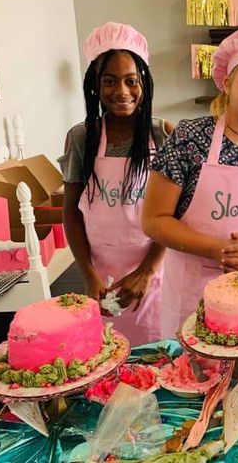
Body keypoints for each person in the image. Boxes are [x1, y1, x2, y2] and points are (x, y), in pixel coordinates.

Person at [142, 29, 238, 337]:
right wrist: (217, 249)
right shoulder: (189, 137)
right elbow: (154, 219)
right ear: (227, 83)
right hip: (192, 292)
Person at [61, 22, 172, 345]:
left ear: (144, 84)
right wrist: (88, 276)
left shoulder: (162, 135)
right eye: (110, 81)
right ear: (95, 86)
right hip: (102, 278)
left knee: (159, 353)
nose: (122, 92)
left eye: (131, 81)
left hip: (156, 273)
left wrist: (146, 272)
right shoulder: (81, 138)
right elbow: (71, 213)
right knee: (108, 352)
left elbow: (176, 213)